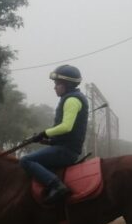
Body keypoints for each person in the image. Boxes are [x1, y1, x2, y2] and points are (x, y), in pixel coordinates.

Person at [20, 64, 89, 204]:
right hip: (64, 148)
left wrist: (43, 134)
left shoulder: (72, 100)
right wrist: (48, 141)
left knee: (25, 160)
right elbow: (67, 135)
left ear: (67, 84)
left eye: (57, 84)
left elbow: (66, 127)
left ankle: (57, 186)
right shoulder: (71, 98)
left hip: (67, 151)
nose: (54, 87)